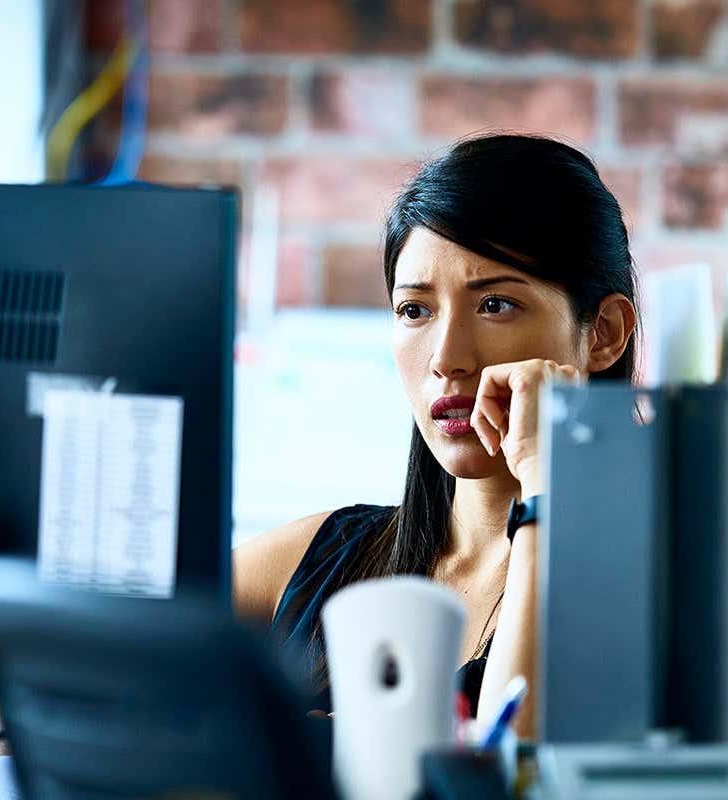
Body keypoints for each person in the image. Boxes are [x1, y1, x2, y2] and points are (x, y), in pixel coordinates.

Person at [233, 134, 638, 738]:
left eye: (495, 304)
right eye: (415, 310)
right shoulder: (323, 559)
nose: (446, 359)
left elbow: (513, 763)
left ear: (602, 333)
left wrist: (548, 482)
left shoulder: (649, 590)